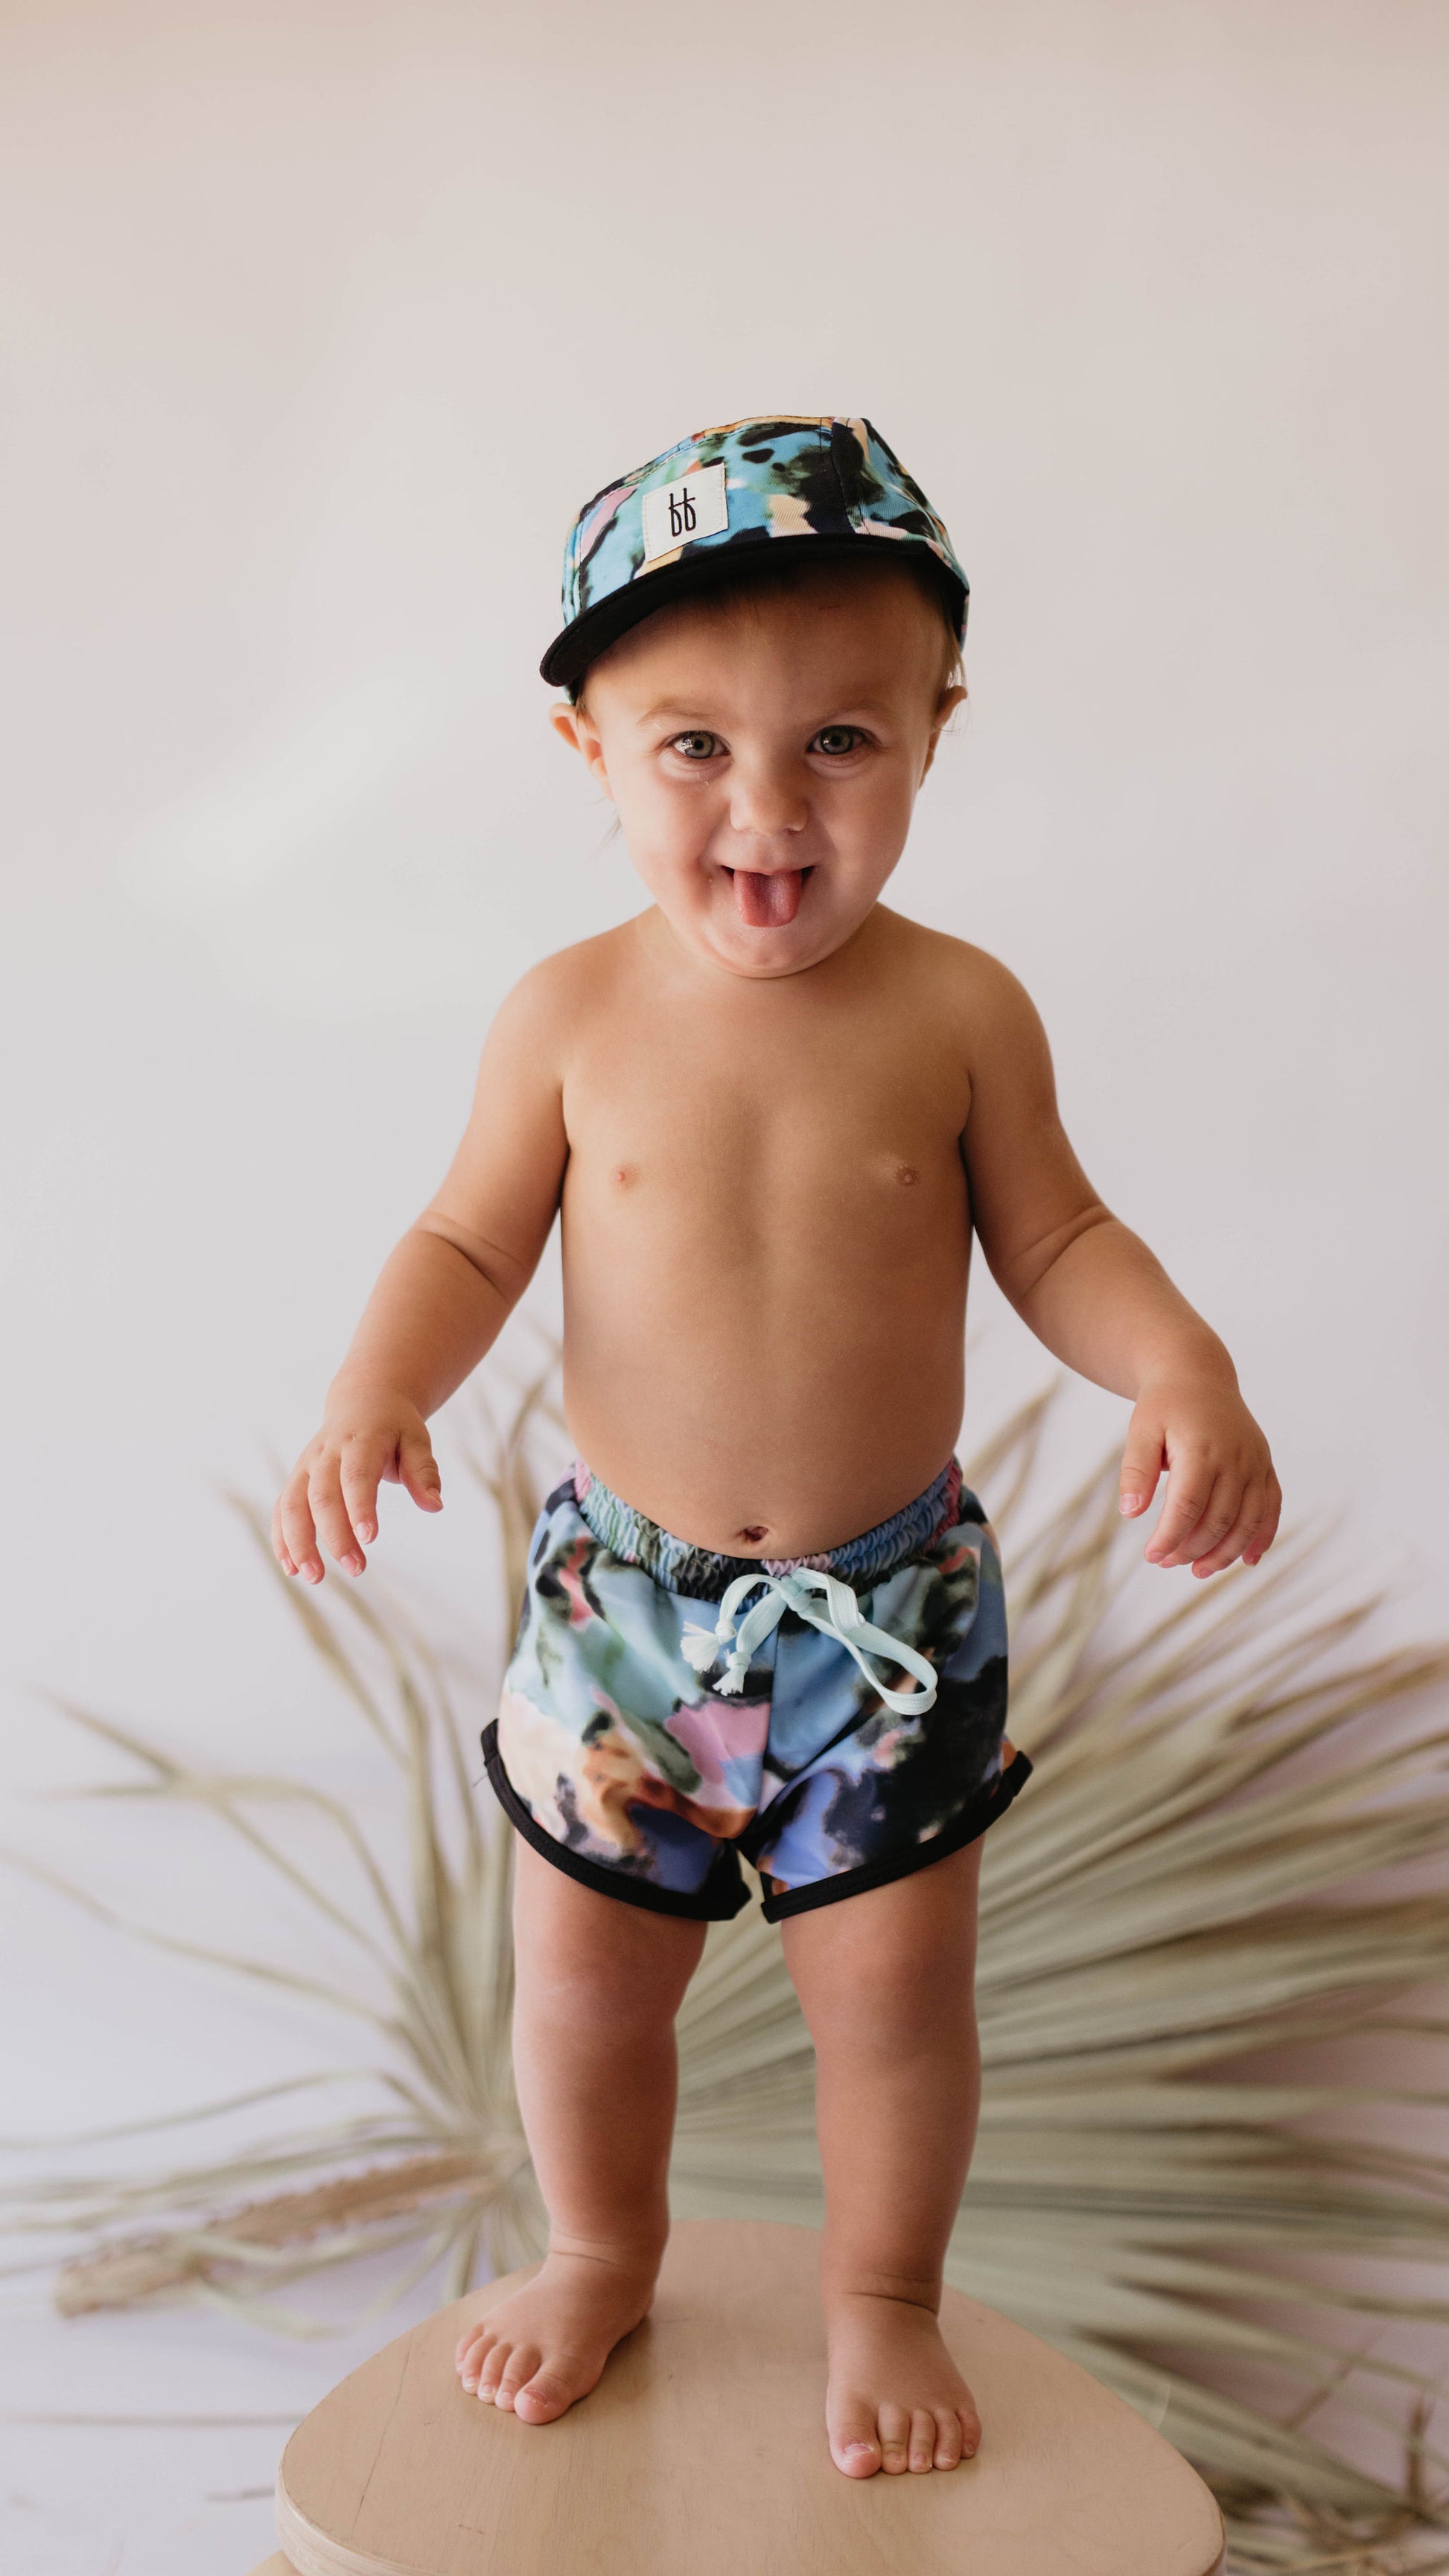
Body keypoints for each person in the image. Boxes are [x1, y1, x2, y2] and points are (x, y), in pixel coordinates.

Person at [273, 417, 1279, 2478]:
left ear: (933, 730)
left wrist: (1179, 1366)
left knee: (891, 1995)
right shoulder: (562, 1016)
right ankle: (594, 2246)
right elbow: (466, 1235)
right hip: (620, 1612)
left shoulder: (960, 1010)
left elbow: (1061, 1238)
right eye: (692, 747)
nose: (767, 804)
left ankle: (879, 2288)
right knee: (582, 1981)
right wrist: (379, 1385)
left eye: (839, 740)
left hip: (881, 1608)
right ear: (584, 747)